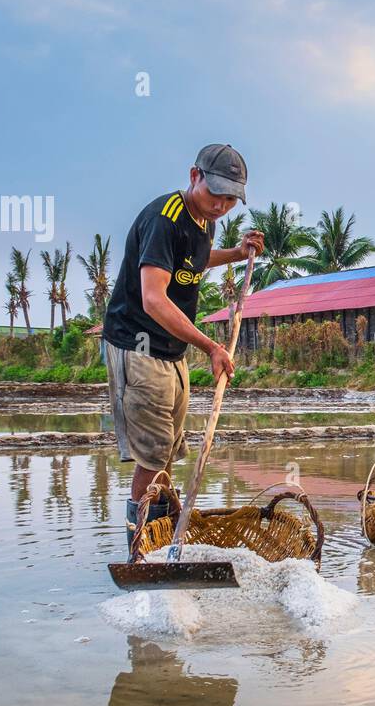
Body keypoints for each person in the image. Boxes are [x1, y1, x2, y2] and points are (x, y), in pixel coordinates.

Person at [101, 143, 265, 538]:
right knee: (153, 456)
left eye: (230, 199)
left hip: (172, 352)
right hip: (138, 347)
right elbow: (154, 299)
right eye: (215, 195)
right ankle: (140, 551)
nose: (221, 206)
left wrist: (237, 253)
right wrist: (210, 346)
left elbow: (195, 259)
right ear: (194, 177)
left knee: (167, 453)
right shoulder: (165, 218)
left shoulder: (204, 221)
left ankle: (159, 538)